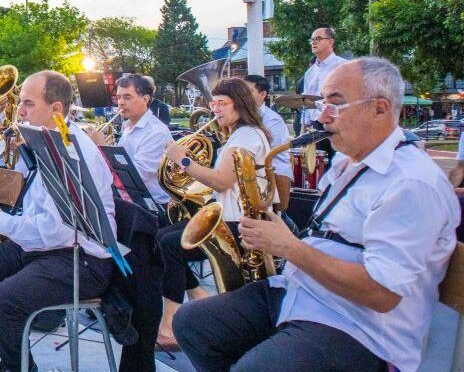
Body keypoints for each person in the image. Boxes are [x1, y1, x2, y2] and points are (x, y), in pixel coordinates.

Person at [175, 58, 459, 372]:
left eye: (335, 105)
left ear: (379, 109)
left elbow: (382, 293)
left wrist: (288, 247)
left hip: (361, 328)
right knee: (192, 323)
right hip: (304, 294)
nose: (322, 116)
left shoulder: (411, 183)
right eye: (324, 103)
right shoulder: (346, 164)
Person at [0, 70, 117, 372]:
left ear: (56, 109)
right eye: (20, 102)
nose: (19, 111)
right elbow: (40, 218)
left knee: (3, 300)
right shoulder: (47, 143)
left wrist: (0, 222)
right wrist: (5, 215)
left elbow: (55, 230)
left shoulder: (71, 151)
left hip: (79, 259)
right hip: (46, 247)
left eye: (28, 104)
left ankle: (16, 367)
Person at [156, 78, 272, 349]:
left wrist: (184, 161)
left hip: (238, 222)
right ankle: (198, 296)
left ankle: (171, 322)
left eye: (222, 104)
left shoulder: (245, 137)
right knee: (161, 238)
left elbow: (221, 181)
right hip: (228, 214)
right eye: (213, 103)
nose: (215, 109)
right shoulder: (239, 134)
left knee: (170, 246)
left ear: (240, 104)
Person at [104, 73, 173, 216]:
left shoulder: (156, 132)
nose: (121, 102)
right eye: (119, 97)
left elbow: (135, 176)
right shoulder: (127, 126)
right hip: (132, 200)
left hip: (151, 208)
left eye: (127, 97)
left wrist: (103, 148)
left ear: (145, 99)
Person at [243, 74, 293, 211]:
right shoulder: (241, 116)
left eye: (249, 91)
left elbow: (266, 149)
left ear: (263, 94)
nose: (243, 96)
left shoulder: (273, 120)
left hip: (274, 173)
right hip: (254, 171)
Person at [300, 27, 347, 131]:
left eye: (318, 39)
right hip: (315, 125)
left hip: (338, 123)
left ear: (330, 42)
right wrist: (304, 127)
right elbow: (306, 101)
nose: (313, 42)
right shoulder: (310, 72)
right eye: (312, 40)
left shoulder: (344, 66)